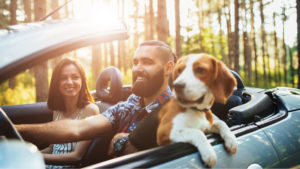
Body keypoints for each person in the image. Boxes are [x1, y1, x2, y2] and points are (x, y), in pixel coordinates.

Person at [16, 40, 176, 158]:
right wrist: (15, 129)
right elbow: (78, 128)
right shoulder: (129, 105)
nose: (138, 69)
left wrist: (125, 141)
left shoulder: (180, 110)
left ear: (168, 68)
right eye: (135, 62)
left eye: (147, 62)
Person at [41, 58, 99, 168]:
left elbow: (77, 156)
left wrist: (37, 156)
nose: (69, 82)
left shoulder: (90, 110)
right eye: (63, 78)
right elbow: (52, 148)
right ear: (56, 82)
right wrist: (31, 153)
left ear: (82, 80)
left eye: (75, 77)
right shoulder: (57, 110)